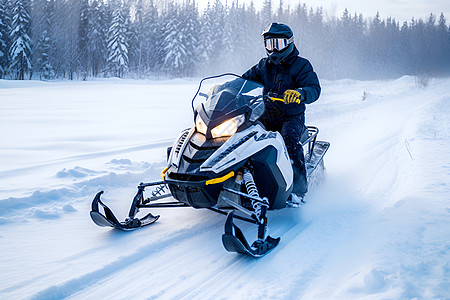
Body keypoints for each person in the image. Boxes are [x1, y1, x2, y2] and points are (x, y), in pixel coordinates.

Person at [241, 22, 321, 205]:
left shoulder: (301, 65)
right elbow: (244, 80)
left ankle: (299, 191)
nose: (273, 49)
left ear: (289, 43)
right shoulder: (263, 66)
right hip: (265, 114)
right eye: (270, 44)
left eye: (278, 44)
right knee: (243, 137)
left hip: (291, 116)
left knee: (289, 141)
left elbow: (314, 88)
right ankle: (243, 179)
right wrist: (226, 88)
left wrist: (301, 93)